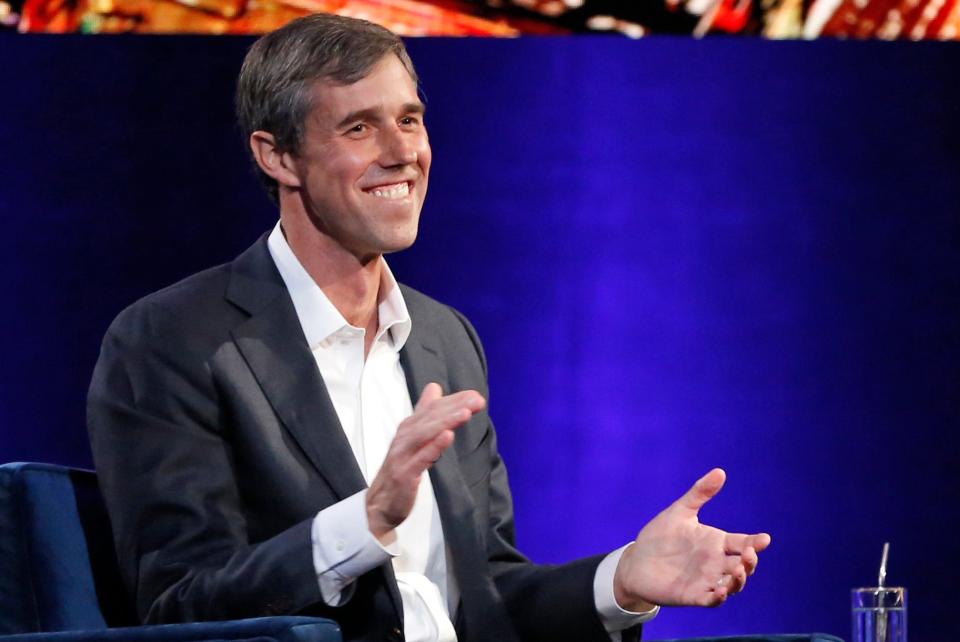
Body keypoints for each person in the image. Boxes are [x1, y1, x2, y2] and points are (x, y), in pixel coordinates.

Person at [87, 13, 771, 642]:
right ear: (278, 157)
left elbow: (488, 594)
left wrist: (619, 580)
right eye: (359, 128)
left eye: (410, 120)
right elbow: (180, 606)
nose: (400, 152)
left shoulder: (445, 338)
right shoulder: (173, 340)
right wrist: (366, 521)